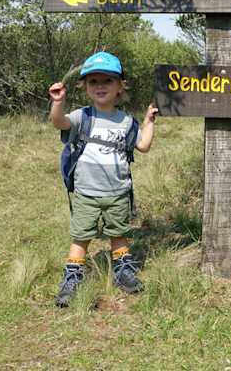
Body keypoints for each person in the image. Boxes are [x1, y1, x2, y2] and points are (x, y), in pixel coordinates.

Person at [47, 51, 158, 307]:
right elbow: (58, 122)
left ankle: (123, 272)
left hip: (118, 192)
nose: (100, 86)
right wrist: (58, 101)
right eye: (93, 82)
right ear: (85, 86)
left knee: (118, 234)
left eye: (107, 81)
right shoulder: (81, 116)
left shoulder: (127, 121)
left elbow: (143, 145)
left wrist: (149, 122)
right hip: (86, 192)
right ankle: (72, 278)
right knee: (81, 237)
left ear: (120, 86)